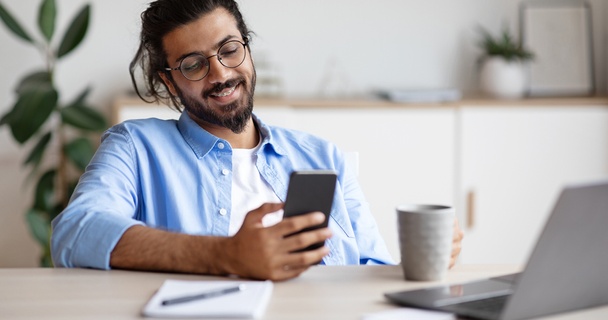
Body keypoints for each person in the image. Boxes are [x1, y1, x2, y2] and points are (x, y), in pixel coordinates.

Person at [51, 0, 463, 281]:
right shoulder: (135, 147)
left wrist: (417, 266)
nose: (220, 74)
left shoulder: (322, 155)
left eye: (229, 49)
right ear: (169, 82)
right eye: (193, 64)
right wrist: (225, 255)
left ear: (247, 48)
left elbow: (372, 269)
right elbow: (75, 232)